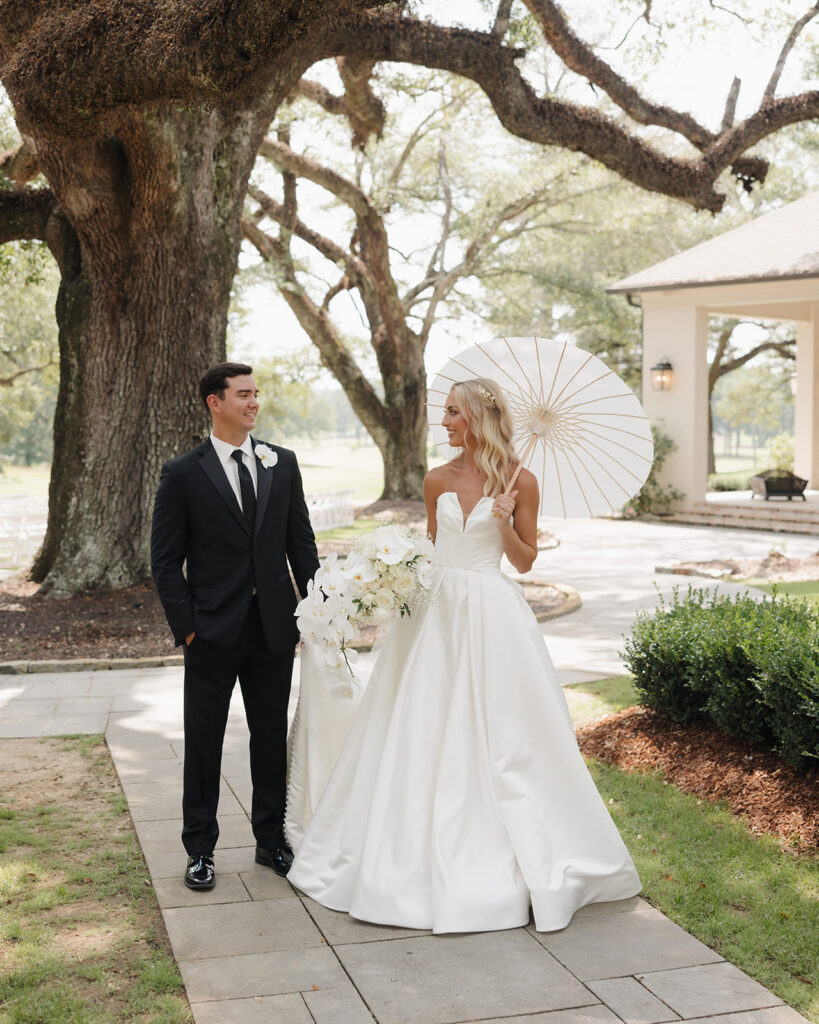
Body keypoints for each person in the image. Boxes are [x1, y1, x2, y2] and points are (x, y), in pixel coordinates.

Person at [287, 377, 641, 933]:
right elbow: (428, 550)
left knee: (502, 730)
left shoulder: (522, 481)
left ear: (477, 417)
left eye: (452, 412)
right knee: (420, 718)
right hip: (433, 614)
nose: (444, 422)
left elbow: (524, 563)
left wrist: (503, 521)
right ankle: (401, 849)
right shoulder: (436, 479)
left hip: (492, 613)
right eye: (445, 412)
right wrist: (387, 573)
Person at [151, 362, 319, 891]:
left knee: (270, 738)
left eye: (256, 394)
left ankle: (270, 842)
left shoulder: (281, 463)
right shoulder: (182, 473)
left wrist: (317, 610)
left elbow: (302, 546)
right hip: (213, 632)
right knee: (204, 742)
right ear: (214, 402)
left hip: (273, 629)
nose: (254, 403)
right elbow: (164, 561)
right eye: (243, 395)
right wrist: (189, 627)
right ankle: (199, 850)